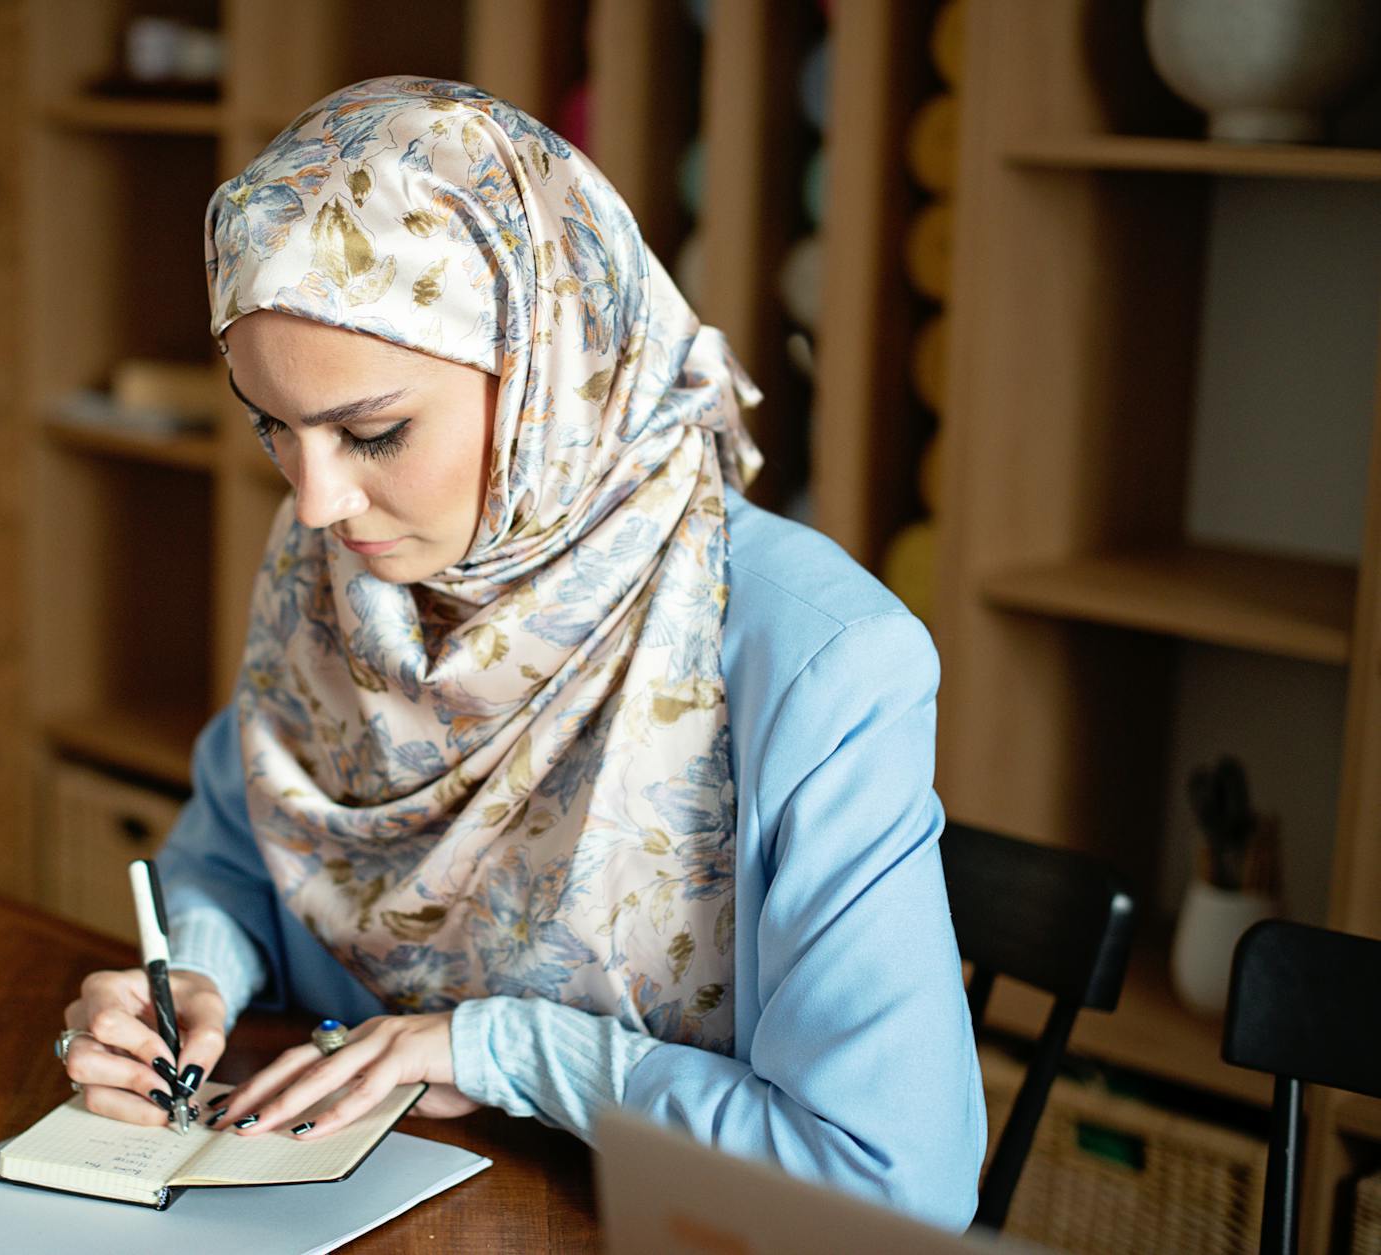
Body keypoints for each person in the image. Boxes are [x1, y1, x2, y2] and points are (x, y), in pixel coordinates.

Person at [59, 76, 986, 1229]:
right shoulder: (339, 567)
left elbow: (893, 1183)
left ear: (551, 364)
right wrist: (190, 976)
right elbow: (236, 851)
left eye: (373, 431)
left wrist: (496, 1050)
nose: (312, 502)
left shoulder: (818, 660)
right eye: (270, 427)